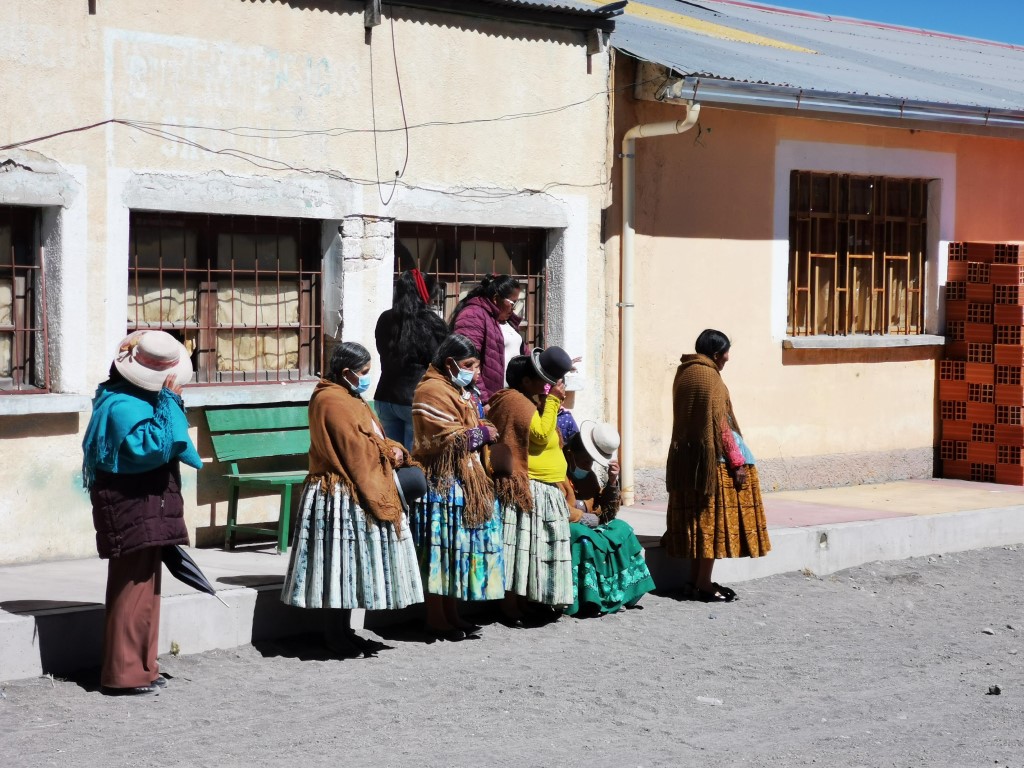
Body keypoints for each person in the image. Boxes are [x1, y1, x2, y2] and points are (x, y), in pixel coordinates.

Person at [281, 342, 424, 657]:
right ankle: (334, 635)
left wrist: (391, 449)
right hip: (339, 493)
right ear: (346, 372)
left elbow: (373, 439)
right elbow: (355, 451)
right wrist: (390, 454)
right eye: (364, 372)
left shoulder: (350, 397)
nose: (367, 378)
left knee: (350, 567)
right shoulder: (332, 401)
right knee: (338, 567)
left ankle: (346, 631)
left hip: (352, 490)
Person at [82, 330, 202, 695]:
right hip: (131, 505)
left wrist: (166, 403)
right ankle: (124, 674)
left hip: (146, 505)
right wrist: (170, 402)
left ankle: (144, 667)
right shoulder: (121, 405)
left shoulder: (134, 399)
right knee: (132, 590)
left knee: (147, 590)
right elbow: (151, 447)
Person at [663, 329, 771, 602]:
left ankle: (695, 581)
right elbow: (720, 423)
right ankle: (703, 584)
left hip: (688, 462)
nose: (728, 357)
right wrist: (737, 463)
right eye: (725, 352)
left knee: (700, 526)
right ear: (715, 354)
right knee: (711, 526)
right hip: (713, 464)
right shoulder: (711, 378)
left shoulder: (684, 373)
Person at [410, 334, 505, 639]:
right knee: (440, 552)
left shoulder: (460, 391)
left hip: (463, 480)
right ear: (450, 363)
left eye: (476, 365)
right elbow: (444, 437)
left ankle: (452, 613)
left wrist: (481, 429)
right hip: (440, 484)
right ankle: (436, 617)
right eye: (469, 365)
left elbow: (471, 426)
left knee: (456, 551)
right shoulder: (430, 391)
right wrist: (482, 433)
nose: (474, 372)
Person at [487, 348, 575, 623]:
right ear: (525, 381)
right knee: (518, 550)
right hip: (529, 487)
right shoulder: (515, 401)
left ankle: (525, 601)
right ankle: (509, 604)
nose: (547, 385)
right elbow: (539, 434)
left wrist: (548, 403)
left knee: (531, 551)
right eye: (542, 379)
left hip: (544, 489)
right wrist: (553, 401)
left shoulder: (529, 402)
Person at [563, 422, 655, 617]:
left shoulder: (589, 478)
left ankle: (625, 592)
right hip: (571, 527)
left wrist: (612, 482)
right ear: (571, 455)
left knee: (623, 528)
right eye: (585, 460)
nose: (589, 465)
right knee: (582, 536)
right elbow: (559, 508)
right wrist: (582, 518)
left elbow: (605, 513)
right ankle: (591, 598)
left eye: (591, 461)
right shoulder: (558, 474)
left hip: (593, 527)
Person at [374, 269, 450, 450]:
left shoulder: (385, 318)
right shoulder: (430, 322)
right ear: (425, 294)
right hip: (416, 399)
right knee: (413, 459)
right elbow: (439, 360)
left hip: (385, 396)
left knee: (391, 457)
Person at [449, 274, 526, 403]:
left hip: (510, 397)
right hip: (489, 400)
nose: (513, 309)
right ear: (496, 299)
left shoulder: (506, 320)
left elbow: (522, 351)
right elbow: (467, 362)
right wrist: (484, 400)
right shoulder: (473, 315)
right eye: (512, 303)